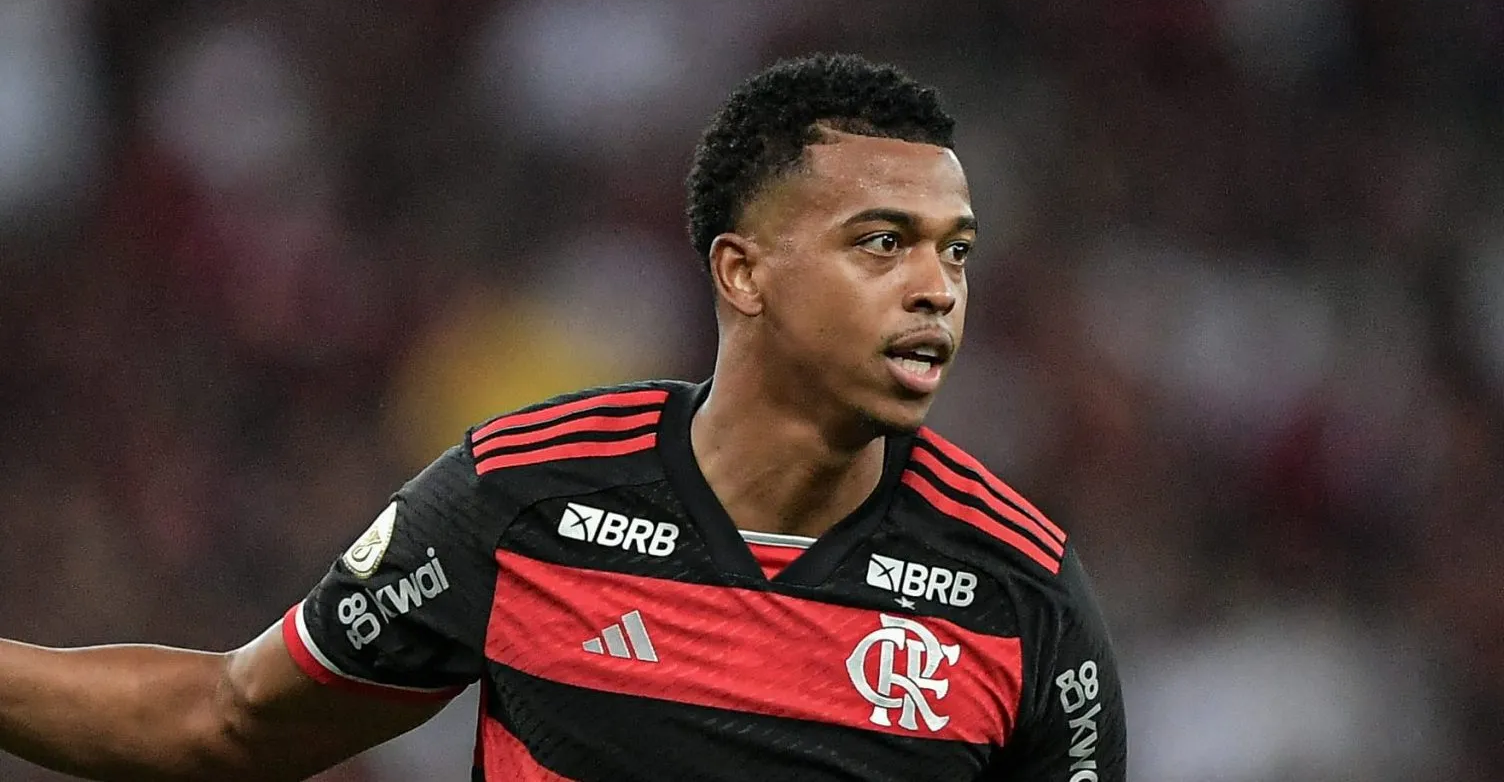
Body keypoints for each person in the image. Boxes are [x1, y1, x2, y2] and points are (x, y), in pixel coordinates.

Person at [0, 53, 1126, 781]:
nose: (936, 287)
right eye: (882, 243)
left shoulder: (1019, 594)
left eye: (956, 251)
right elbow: (230, 719)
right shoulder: (528, 496)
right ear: (743, 274)